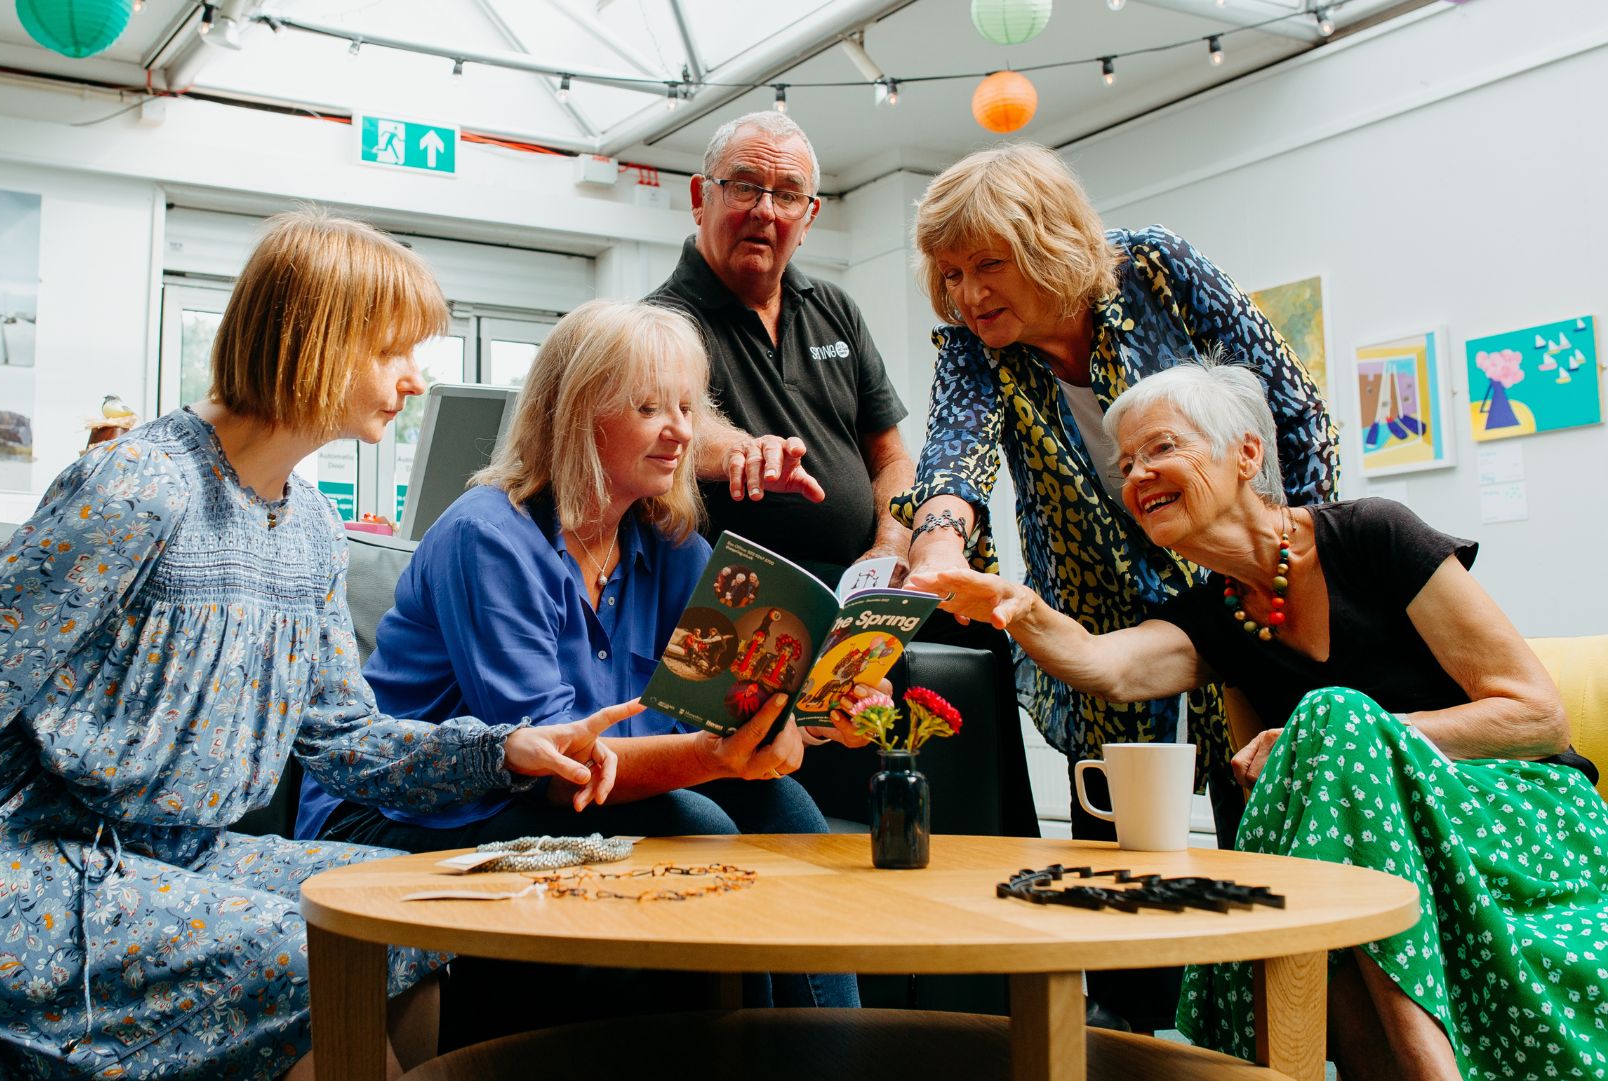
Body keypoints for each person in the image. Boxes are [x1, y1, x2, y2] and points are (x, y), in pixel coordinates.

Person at [0, 212, 637, 1081]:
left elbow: (343, 739)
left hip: (173, 852)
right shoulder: (137, 488)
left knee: (406, 916)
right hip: (17, 860)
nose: (415, 381)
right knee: (319, 952)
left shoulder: (311, 526)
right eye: (393, 352)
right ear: (317, 342)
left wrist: (506, 751)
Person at [910, 360, 1605, 1079]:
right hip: (1372, 855)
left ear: (1246, 454)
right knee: (1319, 810)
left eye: (1161, 448)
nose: (1137, 476)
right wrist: (1018, 608)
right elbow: (1105, 664)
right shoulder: (1217, 614)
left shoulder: (1373, 534)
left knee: (1334, 720)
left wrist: (1353, 739)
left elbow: (1538, 715)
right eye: (1124, 465)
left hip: (1517, 811)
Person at [294, 299, 869, 1008]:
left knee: (781, 802)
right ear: (576, 413)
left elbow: (736, 698)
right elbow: (557, 772)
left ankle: (832, 1056)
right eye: (650, 407)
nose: (682, 432)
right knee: (694, 827)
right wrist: (715, 757)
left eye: (687, 407)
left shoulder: (663, 542)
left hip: (574, 793)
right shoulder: (489, 536)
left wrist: (814, 711)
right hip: (412, 805)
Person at [897, 142, 1341, 840]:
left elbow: (1292, 409)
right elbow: (952, 464)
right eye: (951, 273)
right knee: (1119, 843)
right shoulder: (973, 347)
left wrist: (1290, 559)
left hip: (1241, 588)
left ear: (1045, 243)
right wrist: (938, 547)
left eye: (989, 265)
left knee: (1266, 810)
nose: (969, 295)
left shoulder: (1156, 270)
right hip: (1100, 613)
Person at [645, 110, 915, 591]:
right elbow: (686, 430)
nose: (765, 212)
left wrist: (891, 547)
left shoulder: (835, 308)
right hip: (736, 593)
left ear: (808, 217)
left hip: (858, 582)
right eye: (744, 187)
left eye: (788, 195)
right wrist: (743, 451)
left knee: (991, 633)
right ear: (699, 198)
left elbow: (891, 458)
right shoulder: (659, 323)